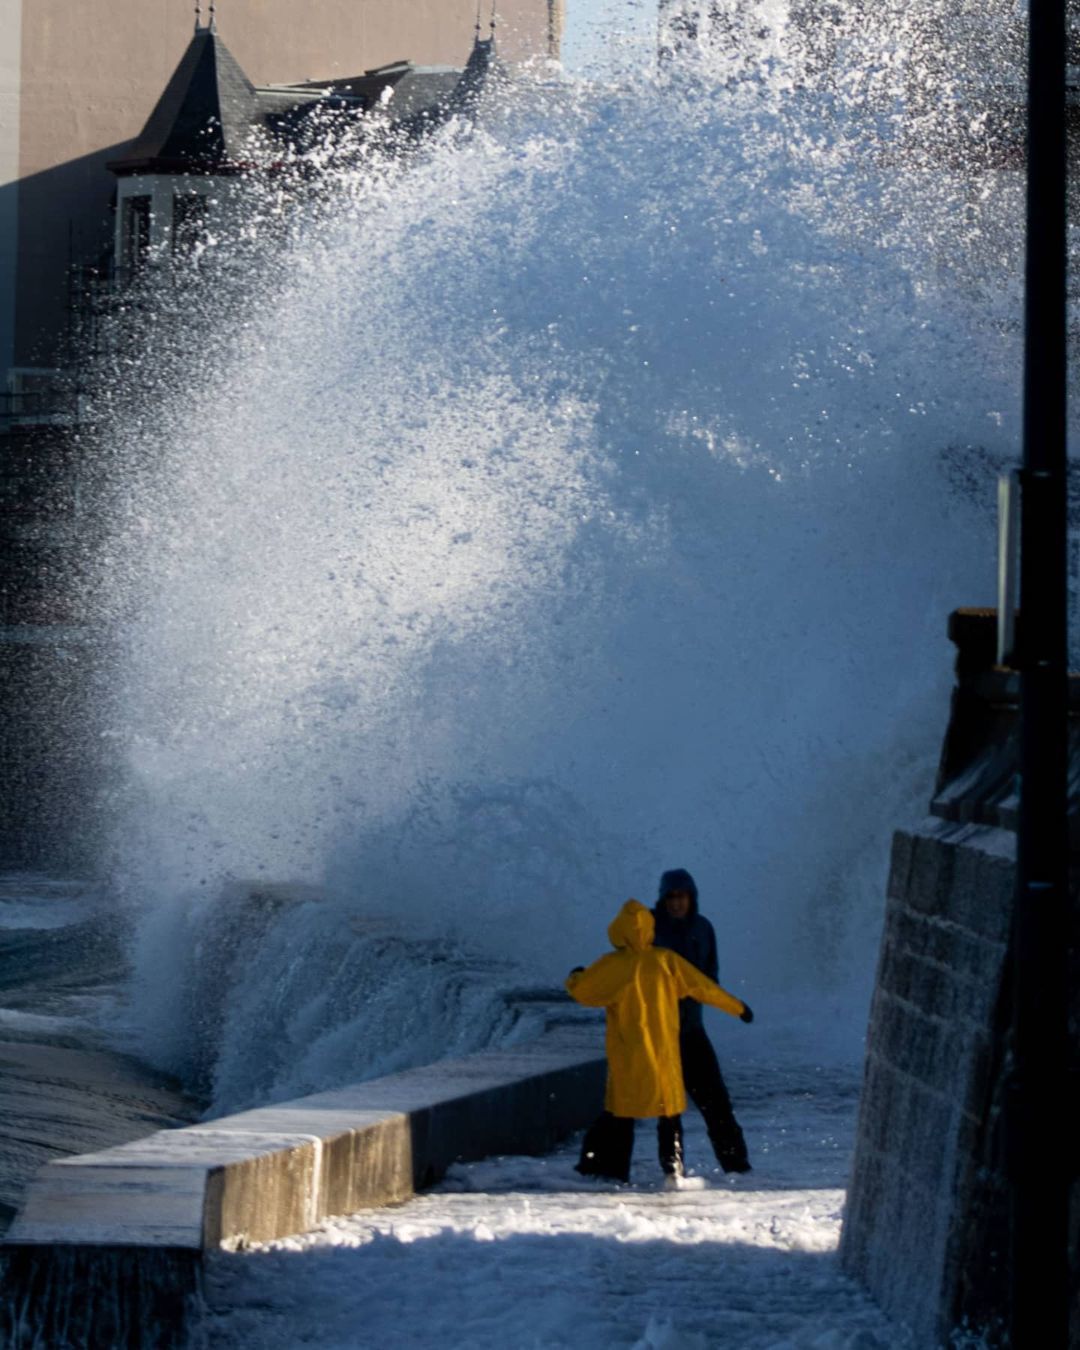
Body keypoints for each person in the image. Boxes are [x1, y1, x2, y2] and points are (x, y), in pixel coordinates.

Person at [566, 897, 753, 1187]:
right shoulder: (666, 961)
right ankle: (672, 1170)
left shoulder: (613, 966)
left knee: (620, 1115)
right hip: (665, 1052)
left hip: (630, 1055)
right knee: (669, 1114)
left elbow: (584, 992)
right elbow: (703, 987)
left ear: (619, 930)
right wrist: (738, 1007)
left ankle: (608, 1174)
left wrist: (575, 977)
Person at [652, 867, 752, 1173]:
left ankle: (738, 1169)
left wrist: (723, 1003)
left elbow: (710, 976)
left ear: (692, 898)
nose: (676, 903)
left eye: (681, 896)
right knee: (668, 1109)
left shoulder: (703, 928)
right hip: (660, 1033)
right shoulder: (650, 928)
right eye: (670, 897)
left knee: (717, 1103)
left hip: (692, 1030)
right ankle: (672, 1174)